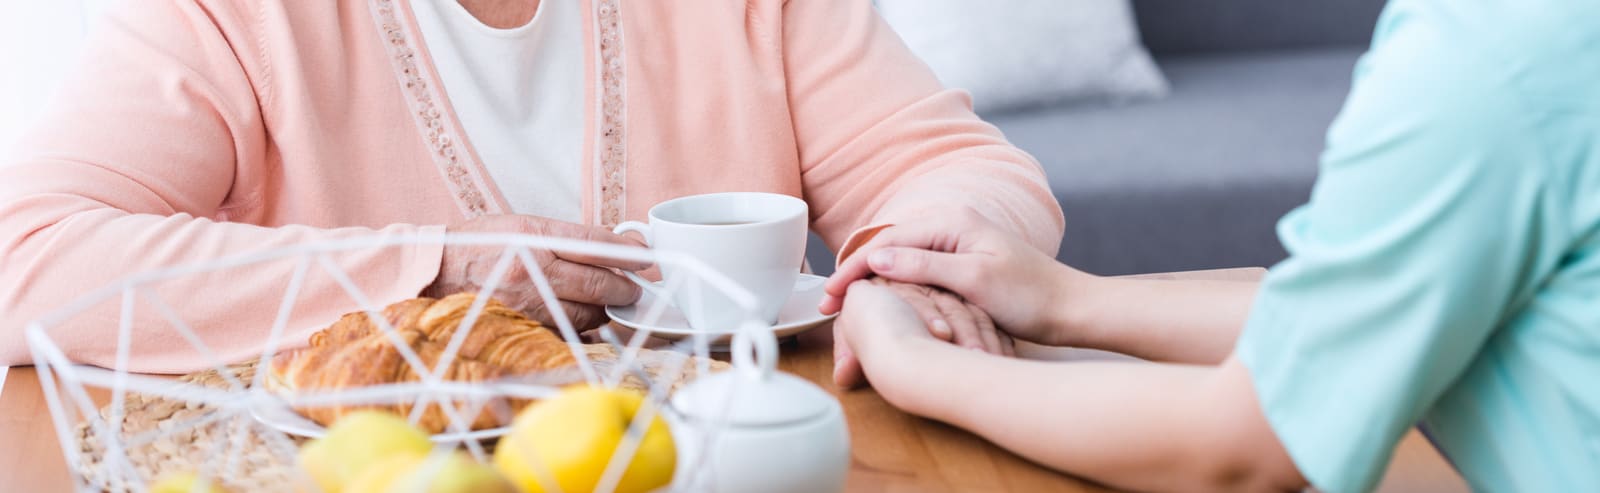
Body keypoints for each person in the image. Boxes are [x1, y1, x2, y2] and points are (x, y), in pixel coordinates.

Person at [0, 0, 1063, 371]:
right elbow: (25, 256)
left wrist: (920, 266)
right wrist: (431, 270)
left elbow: (951, 171)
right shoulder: (227, 12)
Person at [821, 1, 1600, 491]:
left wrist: (915, 364)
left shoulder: (1494, 54)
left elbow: (1247, 441)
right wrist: (1066, 300)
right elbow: (1333, 328)